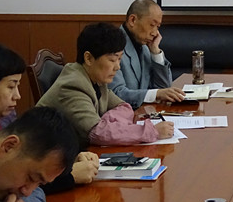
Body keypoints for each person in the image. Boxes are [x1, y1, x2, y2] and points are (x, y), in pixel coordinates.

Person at [0, 43, 99, 194]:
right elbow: (10, 180)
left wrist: (63, 162)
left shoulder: (5, 116)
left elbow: (26, 162)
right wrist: (70, 176)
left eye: (17, 86)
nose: (17, 96)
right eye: (11, 86)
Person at [37, 22, 175, 148]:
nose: (118, 67)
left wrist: (108, 123)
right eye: (112, 60)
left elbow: (124, 106)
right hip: (48, 157)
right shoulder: (73, 86)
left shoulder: (96, 78)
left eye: (119, 59)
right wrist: (151, 131)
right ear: (89, 58)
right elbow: (98, 133)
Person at [109, 0, 184, 108]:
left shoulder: (145, 47)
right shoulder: (112, 45)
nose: (155, 33)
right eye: (152, 25)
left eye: (158, 27)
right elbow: (116, 94)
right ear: (132, 20)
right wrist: (155, 94)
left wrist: (155, 52)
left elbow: (163, 87)